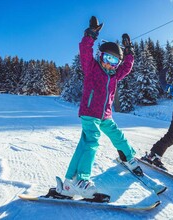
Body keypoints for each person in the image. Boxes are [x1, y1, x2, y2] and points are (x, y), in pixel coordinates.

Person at [57, 16, 142, 198]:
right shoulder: (92, 67)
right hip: (90, 113)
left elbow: (126, 67)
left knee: (114, 136)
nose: (110, 64)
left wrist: (129, 52)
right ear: (100, 56)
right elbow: (85, 50)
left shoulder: (114, 75)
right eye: (107, 58)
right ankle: (82, 179)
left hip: (105, 115)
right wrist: (91, 34)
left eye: (114, 61)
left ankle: (128, 157)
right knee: (92, 141)